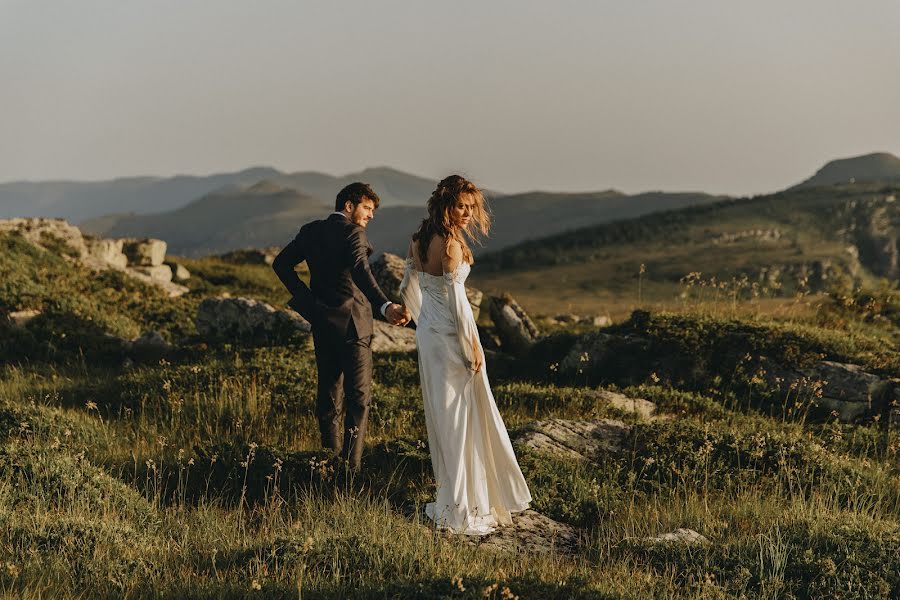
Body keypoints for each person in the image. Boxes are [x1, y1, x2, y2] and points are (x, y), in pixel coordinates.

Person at [399, 175, 531, 535]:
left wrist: (417, 319)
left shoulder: (417, 241)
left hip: (429, 336)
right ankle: (462, 507)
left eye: (471, 207)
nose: (468, 214)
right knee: (461, 419)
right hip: (452, 337)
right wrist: (471, 345)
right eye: (461, 206)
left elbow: (408, 286)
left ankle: (454, 498)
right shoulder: (451, 245)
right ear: (445, 206)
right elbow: (458, 303)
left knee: (444, 417)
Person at [273, 182, 410, 471]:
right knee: (359, 397)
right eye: (367, 208)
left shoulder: (310, 231)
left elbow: (281, 264)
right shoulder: (353, 233)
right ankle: (351, 469)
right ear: (349, 206)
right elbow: (361, 271)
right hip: (354, 325)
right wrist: (385, 306)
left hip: (321, 321)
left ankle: (329, 457)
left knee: (328, 393)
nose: (371, 216)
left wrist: (308, 303)